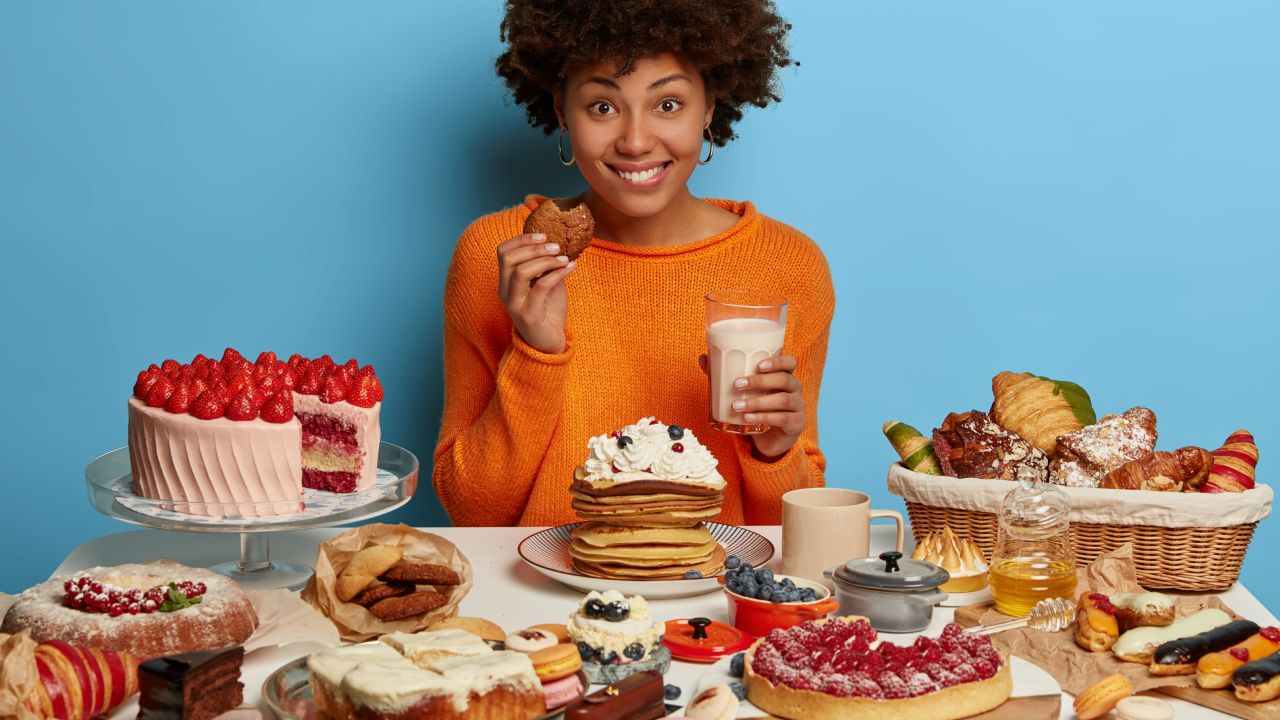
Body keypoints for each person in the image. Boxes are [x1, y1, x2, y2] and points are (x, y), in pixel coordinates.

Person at [433, 0, 834, 526]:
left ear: (709, 106)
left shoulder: (787, 266)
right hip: (539, 603)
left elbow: (787, 533)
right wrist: (536, 349)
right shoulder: (500, 256)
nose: (637, 141)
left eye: (668, 104)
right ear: (560, 110)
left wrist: (773, 452)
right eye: (603, 106)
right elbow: (473, 514)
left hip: (710, 600)